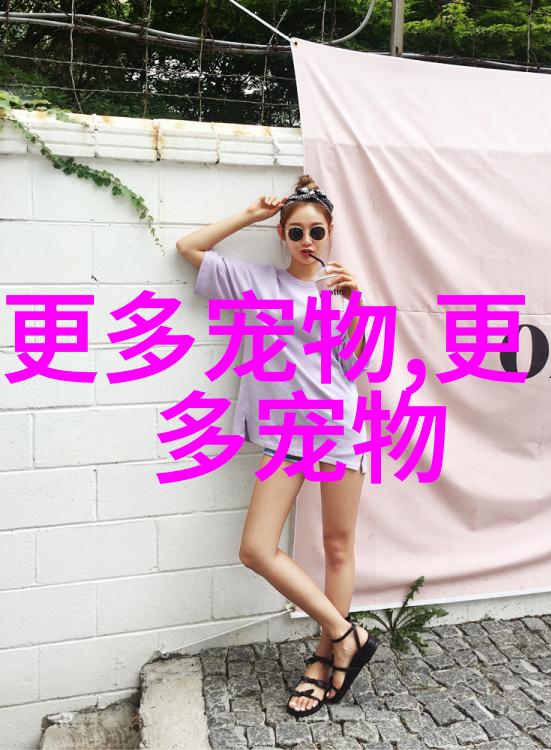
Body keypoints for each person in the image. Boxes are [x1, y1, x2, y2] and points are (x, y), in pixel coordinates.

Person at [176, 174, 378, 718]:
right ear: (283, 236)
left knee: (338, 547)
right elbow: (189, 248)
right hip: (285, 436)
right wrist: (252, 214)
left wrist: (356, 306)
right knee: (256, 549)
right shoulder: (257, 282)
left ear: (330, 233)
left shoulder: (341, 292)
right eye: (296, 231)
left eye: (317, 231)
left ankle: (324, 660)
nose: (307, 240)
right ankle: (347, 633)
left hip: (340, 430)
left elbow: (357, 367)